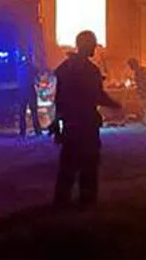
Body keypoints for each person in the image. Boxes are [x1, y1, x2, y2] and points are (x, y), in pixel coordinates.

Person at [51, 30, 122, 208]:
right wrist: (116, 104)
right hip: (86, 124)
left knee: (68, 164)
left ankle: (61, 201)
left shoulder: (65, 67)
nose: (94, 48)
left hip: (70, 124)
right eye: (93, 44)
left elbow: (59, 98)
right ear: (87, 45)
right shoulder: (90, 71)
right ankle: (87, 202)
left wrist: (58, 123)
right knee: (88, 165)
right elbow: (97, 95)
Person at [17, 45, 43, 139]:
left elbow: (19, 79)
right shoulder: (32, 67)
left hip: (22, 91)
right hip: (30, 91)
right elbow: (38, 76)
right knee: (34, 112)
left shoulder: (21, 67)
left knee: (22, 112)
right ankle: (37, 130)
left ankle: (22, 131)